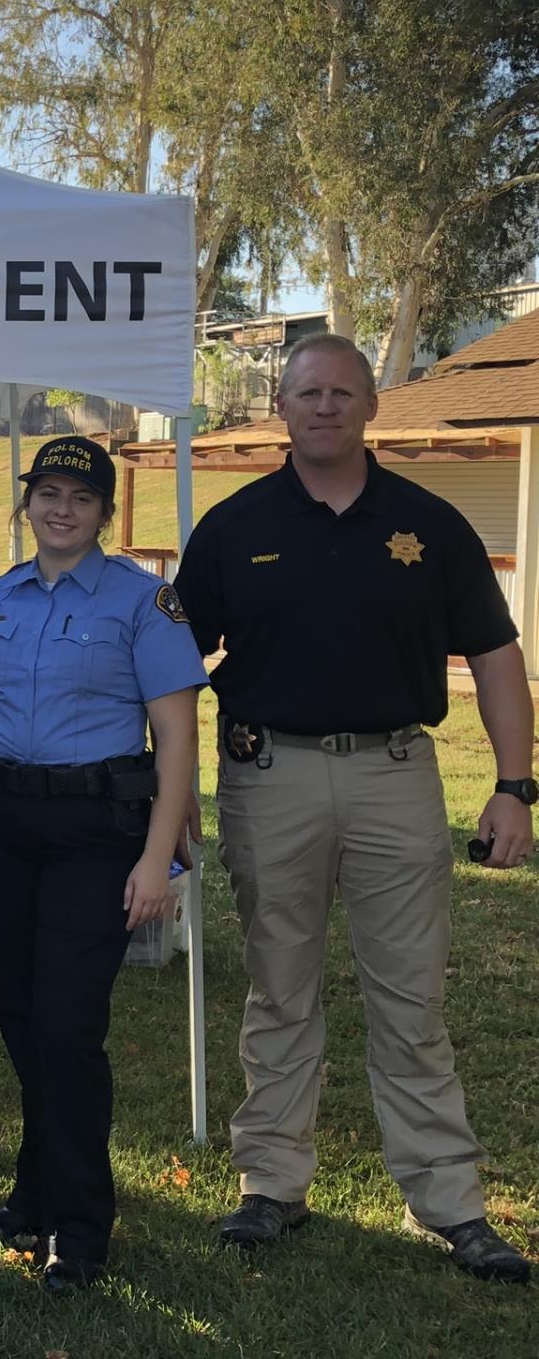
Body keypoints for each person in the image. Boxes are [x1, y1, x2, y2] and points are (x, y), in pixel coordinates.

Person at [174, 334, 534, 1283]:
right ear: (280, 410)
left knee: (411, 999)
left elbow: (497, 656)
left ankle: (450, 1200)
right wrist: (165, 793)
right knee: (279, 986)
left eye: (342, 393)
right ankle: (272, 1185)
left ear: (372, 407)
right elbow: (167, 665)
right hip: (268, 778)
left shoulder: (431, 523)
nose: (324, 407)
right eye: (306, 393)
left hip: (394, 778)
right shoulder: (232, 525)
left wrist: (514, 785)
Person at [0, 435, 203, 1295]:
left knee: (67, 1029)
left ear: (103, 512)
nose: (61, 509)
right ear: (27, 502)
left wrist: (158, 861)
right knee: (18, 1018)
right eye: (47, 493)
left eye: (80, 497)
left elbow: (178, 736)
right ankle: (36, 1190)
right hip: (2, 827)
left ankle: (79, 1227)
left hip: (95, 833)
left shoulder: (141, 601)